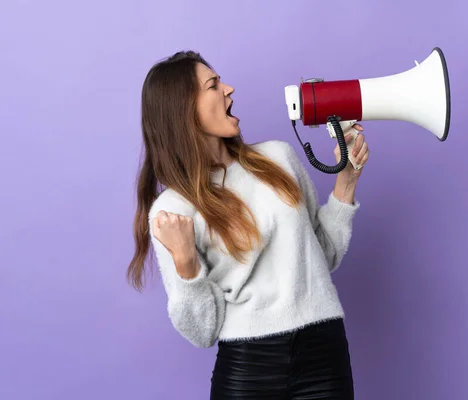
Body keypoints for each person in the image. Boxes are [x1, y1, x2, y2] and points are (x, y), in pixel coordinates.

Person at [127, 50, 370, 399]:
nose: (229, 89)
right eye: (213, 86)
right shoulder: (172, 209)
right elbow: (202, 332)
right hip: (248, 367)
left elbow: (324, 256)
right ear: (183, 109)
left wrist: (345, 183)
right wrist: (186, 262)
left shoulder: (279, 158)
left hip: (324, 352)